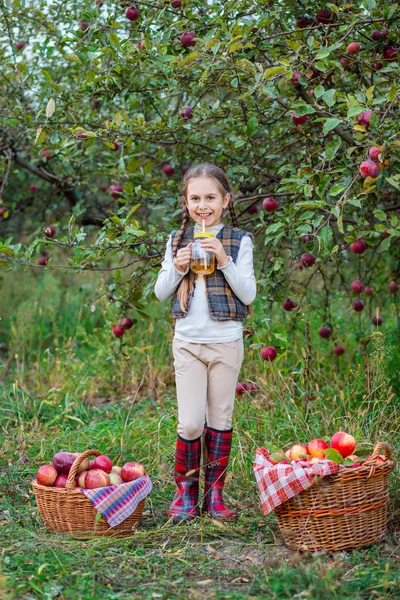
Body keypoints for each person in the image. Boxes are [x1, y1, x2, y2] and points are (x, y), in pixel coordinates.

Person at [154, 163, 256, 520]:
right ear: (186, 202)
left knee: (220, 419)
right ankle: (185, 492)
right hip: (188, 344)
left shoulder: (239, 241)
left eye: (210, 197)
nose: (203, 205)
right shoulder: (176, 241)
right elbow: (159, 292)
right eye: (195, 198)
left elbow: (248, 293)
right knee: (191, 423)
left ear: (225, 200)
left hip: (226, 342)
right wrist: (178, 266)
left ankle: (214, 496)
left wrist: (225, 260)